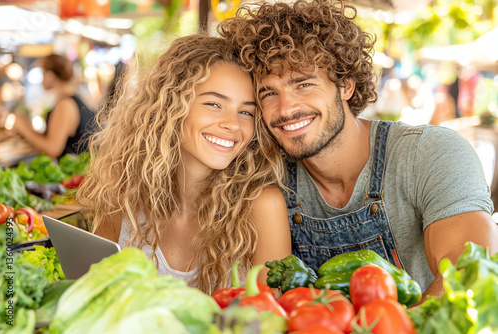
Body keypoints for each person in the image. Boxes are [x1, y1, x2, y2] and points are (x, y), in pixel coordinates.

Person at [218, 0, 498, 301]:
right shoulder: (265, 176)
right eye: (269, 93)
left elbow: (469, 277)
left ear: (346, 85)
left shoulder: (431, 154)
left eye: (303, 85)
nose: (285, 109)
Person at [76, 34, 291, 295]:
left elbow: (270, 319)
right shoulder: (122, 196)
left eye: (246, 112)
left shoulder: (262, 207)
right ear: (170, 107)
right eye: (214, 104)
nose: (233, 124)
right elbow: (93, 297)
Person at [9, 54, 94, 159]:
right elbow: (50, 139)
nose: (41, 80)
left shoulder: (65, 104)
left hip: (75, 172)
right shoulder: (73, 98)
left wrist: (24, 128)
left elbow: (53, 149)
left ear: (50, 75)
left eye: (42, 73)